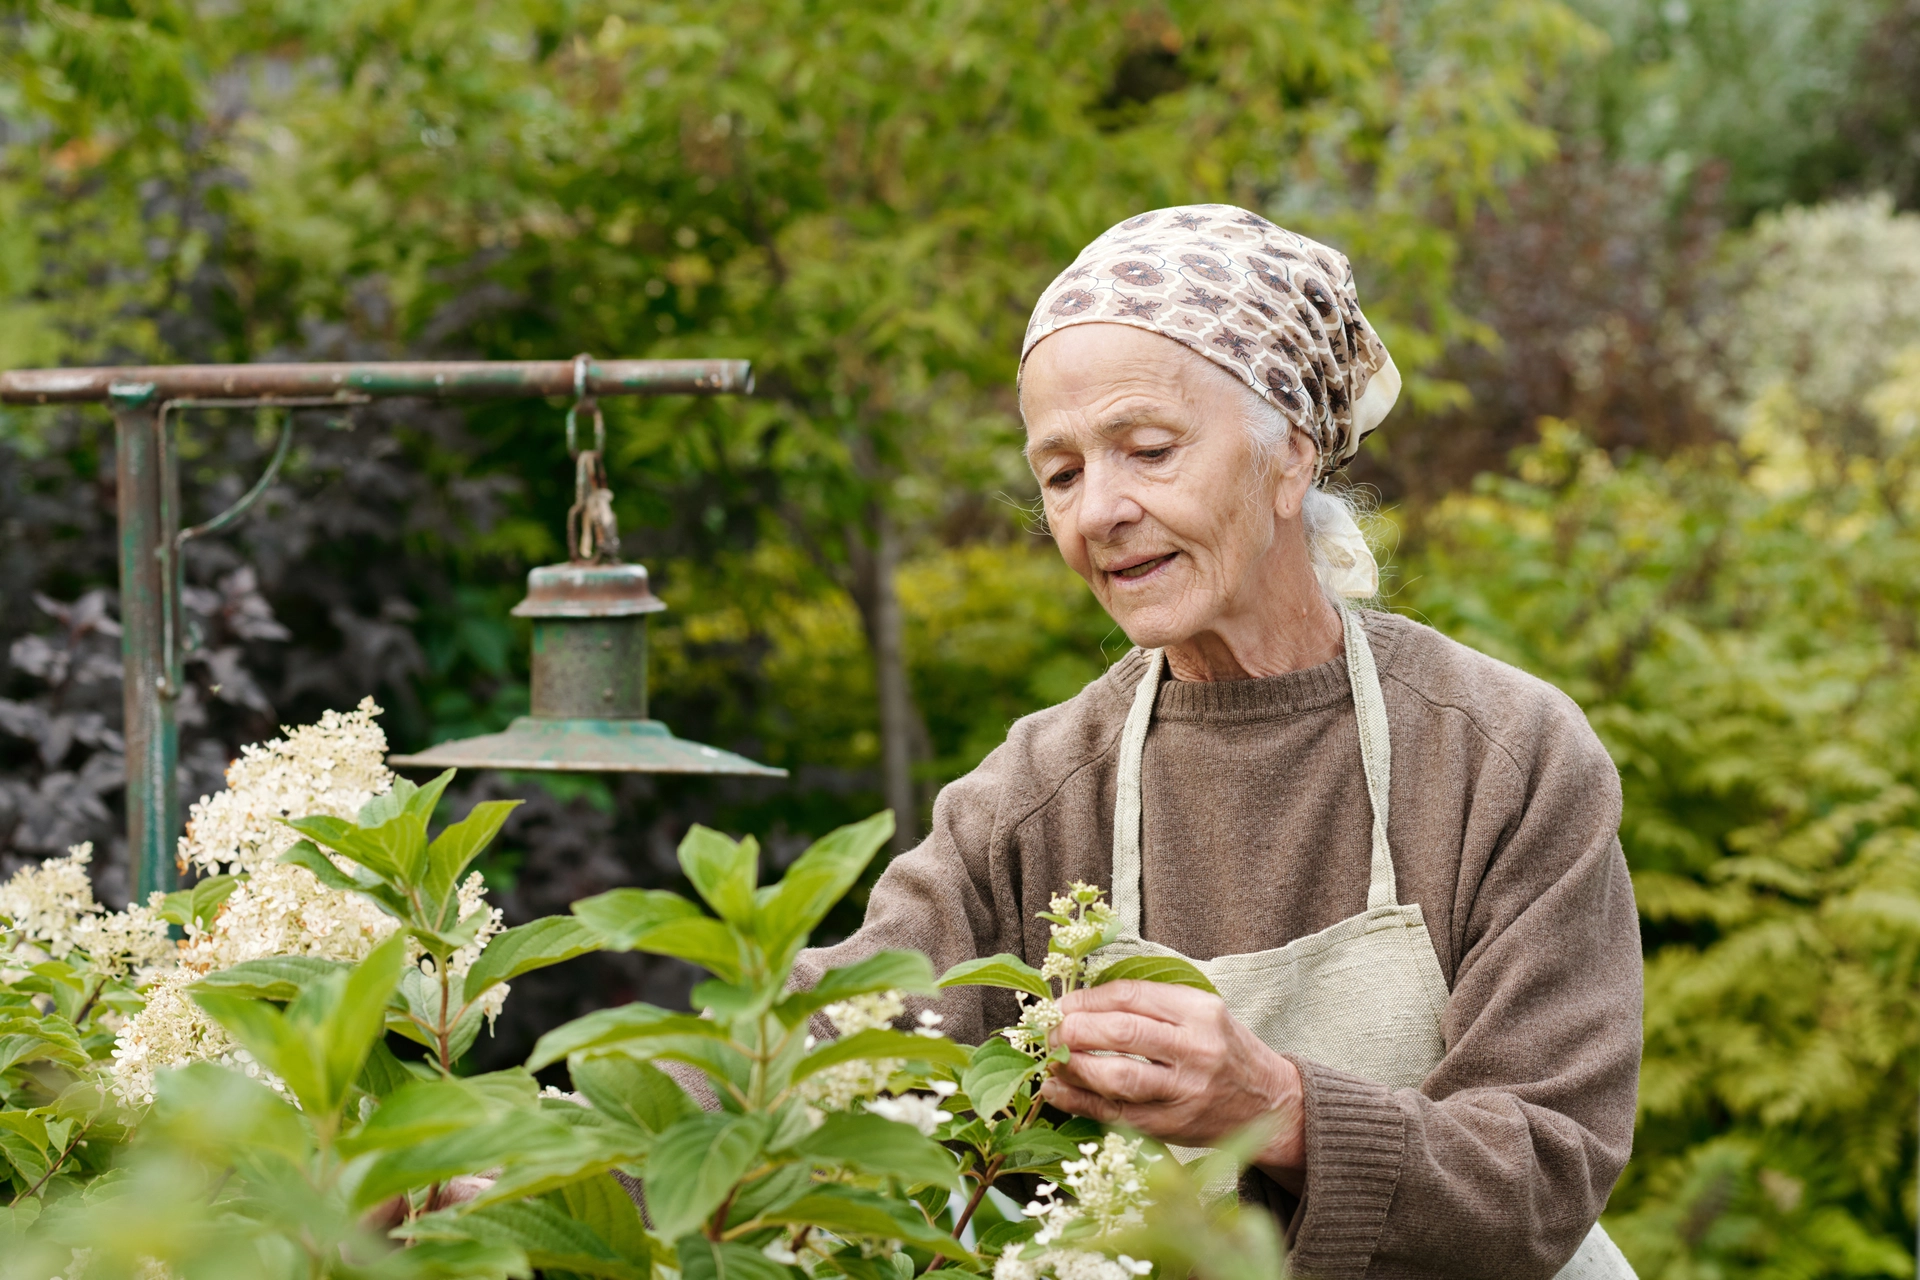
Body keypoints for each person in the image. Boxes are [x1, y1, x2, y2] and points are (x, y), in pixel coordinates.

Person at [795, 204, 1642, 1280]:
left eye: (1147, 449)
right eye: (1060, 474)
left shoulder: (1501, 756)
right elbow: (840, 1039)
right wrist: (561, 1157)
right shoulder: (1037, 796)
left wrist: (1278, 1107)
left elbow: (1546, 1169)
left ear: (1290, 455)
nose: (1098, 510)